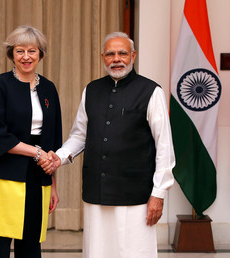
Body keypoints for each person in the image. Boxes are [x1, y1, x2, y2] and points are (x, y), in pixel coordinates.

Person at [40, 32, 175, 258]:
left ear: (133, 55)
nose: (116, 59)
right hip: (97, 190)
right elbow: (79, 135)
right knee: (98, 251)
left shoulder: (151, 91)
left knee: (134, 253)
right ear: (103, 57)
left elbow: (164, 147)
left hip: (136, 195)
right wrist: (60, 157)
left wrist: (158, 194)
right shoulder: (91, 90)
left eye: (122, 53)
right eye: (110, 54)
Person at [0, 25, 62, 258]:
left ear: (40, 54)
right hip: (2, 173)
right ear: (12, 54)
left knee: (30, 244)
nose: (26, 57)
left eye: (32, 51)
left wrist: (52, 182)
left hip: (38, 175)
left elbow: (53, 136)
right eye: (20, 51)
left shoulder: (48, 88)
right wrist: (37, 153)